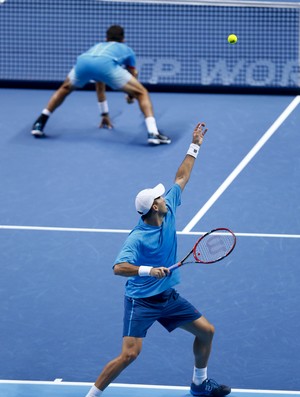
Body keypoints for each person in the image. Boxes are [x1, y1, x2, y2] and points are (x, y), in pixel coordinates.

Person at [84, 122, 231, 397]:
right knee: (129, 355)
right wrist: (149, 270)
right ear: (155, 206)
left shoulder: (169, 208)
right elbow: (118, 268)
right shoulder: (137, 238)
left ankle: (199, 384)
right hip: (141, 301)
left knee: (206, 332)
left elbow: (182, 177)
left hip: (167, 297)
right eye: (160, 197)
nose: (165, 197)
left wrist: (195, 144)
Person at [31, 25, 171, 145]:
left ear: (106, 38)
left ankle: (40, 123)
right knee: (142, 93)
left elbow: (99, 84)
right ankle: (153, 133)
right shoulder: (127, 49)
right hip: (106, 65)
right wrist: (130, 95)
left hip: (83, 62)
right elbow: (133, 75)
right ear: (123, 39)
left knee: (64, 89)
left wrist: (104, 114)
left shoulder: (97, 46)